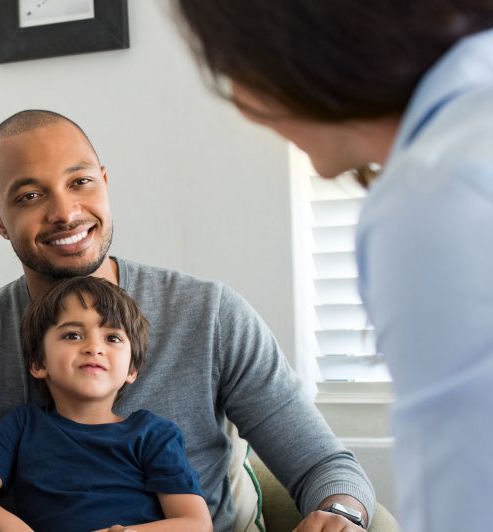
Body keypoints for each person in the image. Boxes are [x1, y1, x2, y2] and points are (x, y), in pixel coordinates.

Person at [0, 110, 376, 531]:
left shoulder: (209, 315)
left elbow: (325, 466)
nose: (65, 212)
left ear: (104, 181)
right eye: (30, 196)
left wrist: (341, 513)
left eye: (80, 182)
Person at [171, 2, 493, 530]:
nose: (246, 111)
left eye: (233, 75)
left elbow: (465, 503)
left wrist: (340, 506)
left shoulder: (433, 196)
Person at [0, 276, 212, 532]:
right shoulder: (23, 425)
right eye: (73, 335)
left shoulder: (153, 434)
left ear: (132, 369)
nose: (94, 347)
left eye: (113, 338)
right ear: (39, 363)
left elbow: (195, 524)